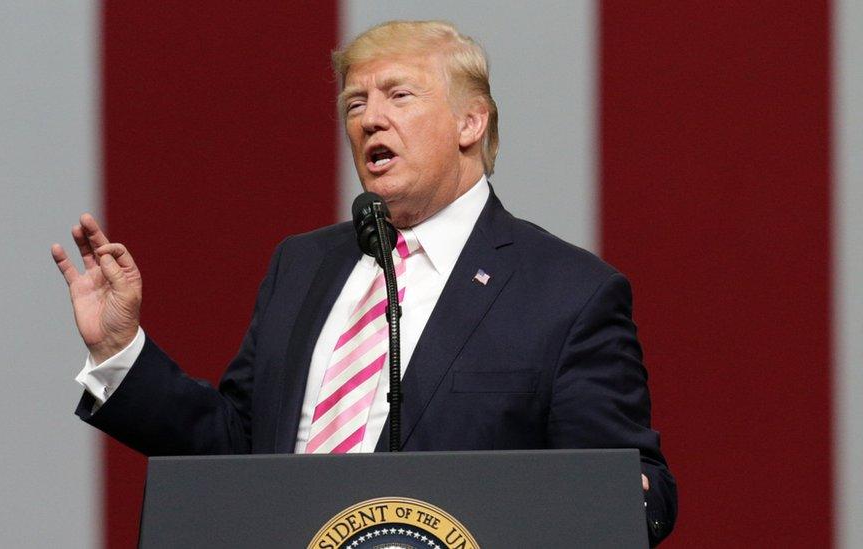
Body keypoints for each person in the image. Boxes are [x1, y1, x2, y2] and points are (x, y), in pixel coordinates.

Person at [51, 20, 676, 544]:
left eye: (398, 96)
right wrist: (120, 350)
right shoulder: (301, 266)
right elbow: (238, 449)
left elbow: (627, 490)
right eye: (355, 103)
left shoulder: (565, 292)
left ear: (471, 123)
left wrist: (623, 497)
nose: (370, 119)